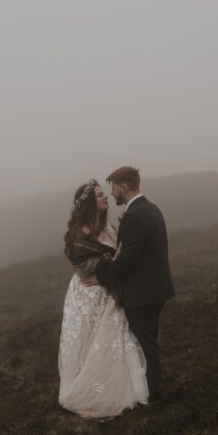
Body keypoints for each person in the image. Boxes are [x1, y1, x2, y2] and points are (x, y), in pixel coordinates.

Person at [58, 178, 149, 419]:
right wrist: (112, 259)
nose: (105, 197)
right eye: (99, 195)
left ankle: (116, 385)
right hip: (88, 293)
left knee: (112, 337)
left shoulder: (108, 228)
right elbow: (83, 267)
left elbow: (118, 253)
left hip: (108, 290)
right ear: (89, 202)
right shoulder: (80, 233)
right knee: (89, 340)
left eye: (104, 194)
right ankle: (89, 389)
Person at [82, 167, 175, 402]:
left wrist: (99, 279)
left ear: (124, 186)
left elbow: (127, 260)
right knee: (148, 341)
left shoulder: (134, 216)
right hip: (156, 288)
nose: (112, 194)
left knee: (145, 345)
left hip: (142, 292)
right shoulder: (151, 209)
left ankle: (153, 393)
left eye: (113, 187)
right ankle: (150, 388)